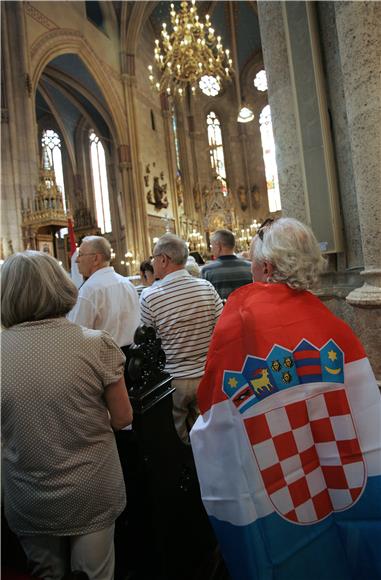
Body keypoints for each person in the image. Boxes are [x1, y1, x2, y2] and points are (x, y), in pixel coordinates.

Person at [191, 218, 381, 580]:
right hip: (335, 478)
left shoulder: (241, 321)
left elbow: (217, 405)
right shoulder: (330, 322)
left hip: (277, 487)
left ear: (266, 266)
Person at [1, 251, 133, 580]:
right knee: (93, 574)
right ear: (61, 286)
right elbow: (122, 417)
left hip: (29, 489)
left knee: (45, 573)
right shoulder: (94, 344)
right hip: (91, 487)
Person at [140, 233, 223, 443]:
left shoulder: (150, 296)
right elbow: (221, 329)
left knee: (180, 440)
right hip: (206, 375)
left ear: (163, 260)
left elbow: (148, 344)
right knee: (210, 435)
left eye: (153, 257)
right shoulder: (206, 288)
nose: (152, 262)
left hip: (173, 381)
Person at [67, 236, 140, 358]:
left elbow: (76, 337)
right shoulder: (127, 284)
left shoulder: (89, 290)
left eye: (80, 254)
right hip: (134, 360)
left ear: (95, 258)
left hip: (106, 363)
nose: (76, 260)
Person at [201, 229, 252, 301]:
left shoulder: (207, 271)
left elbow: (207, 299)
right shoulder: (250, 267)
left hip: (223, 311)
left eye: (212, 246)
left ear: (219, 246)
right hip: (247, 311)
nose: (211, 250)